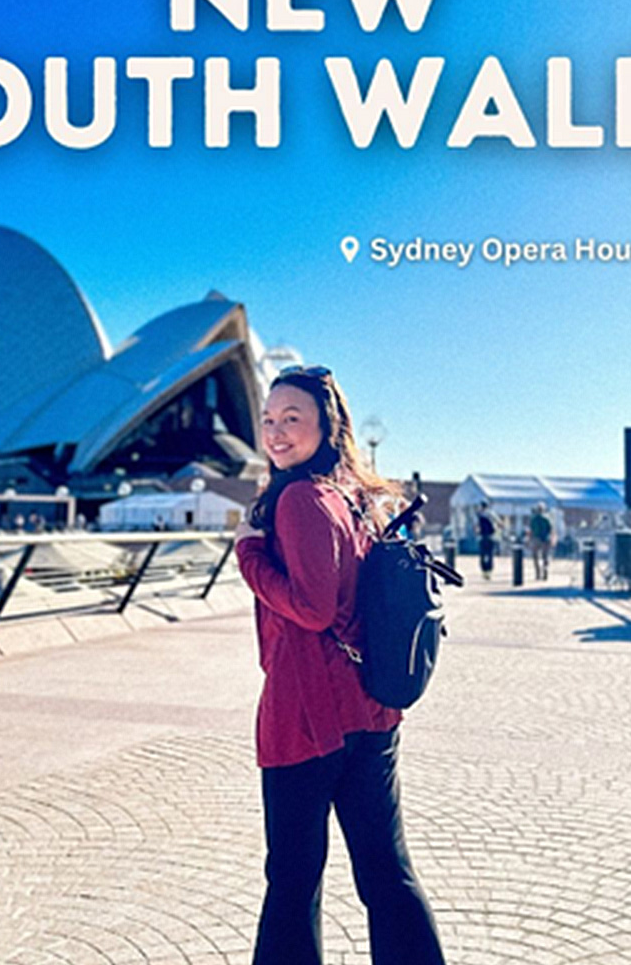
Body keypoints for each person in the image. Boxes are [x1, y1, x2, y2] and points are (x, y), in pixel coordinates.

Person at [233, 365, 446, 965]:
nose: (276, 433)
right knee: (386, 872)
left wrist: (248, 552)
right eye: (269, 420)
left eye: (292, 420)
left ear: (326, 426)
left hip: (305, 719)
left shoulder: (300, 498)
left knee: (294, 881)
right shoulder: (351, 496)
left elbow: (311, 606)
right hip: (371, 711)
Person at [527, 503, 554, 582]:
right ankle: (545, 572)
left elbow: (530, 530)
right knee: (545, 556)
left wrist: (529, 540)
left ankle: (538, 573)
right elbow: (550, 529)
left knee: (535, 557)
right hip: (545, 539)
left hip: (536, 539)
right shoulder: (547, 518)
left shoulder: (533, 519)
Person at [476, 502, 497, 579]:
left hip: (483, 537)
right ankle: (488, 571)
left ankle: (484, 571)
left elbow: (476, 527)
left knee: (483, 555)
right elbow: (497, 525)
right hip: (491, 537)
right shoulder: (491, 515)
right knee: (490, 554)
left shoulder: (479, 516)